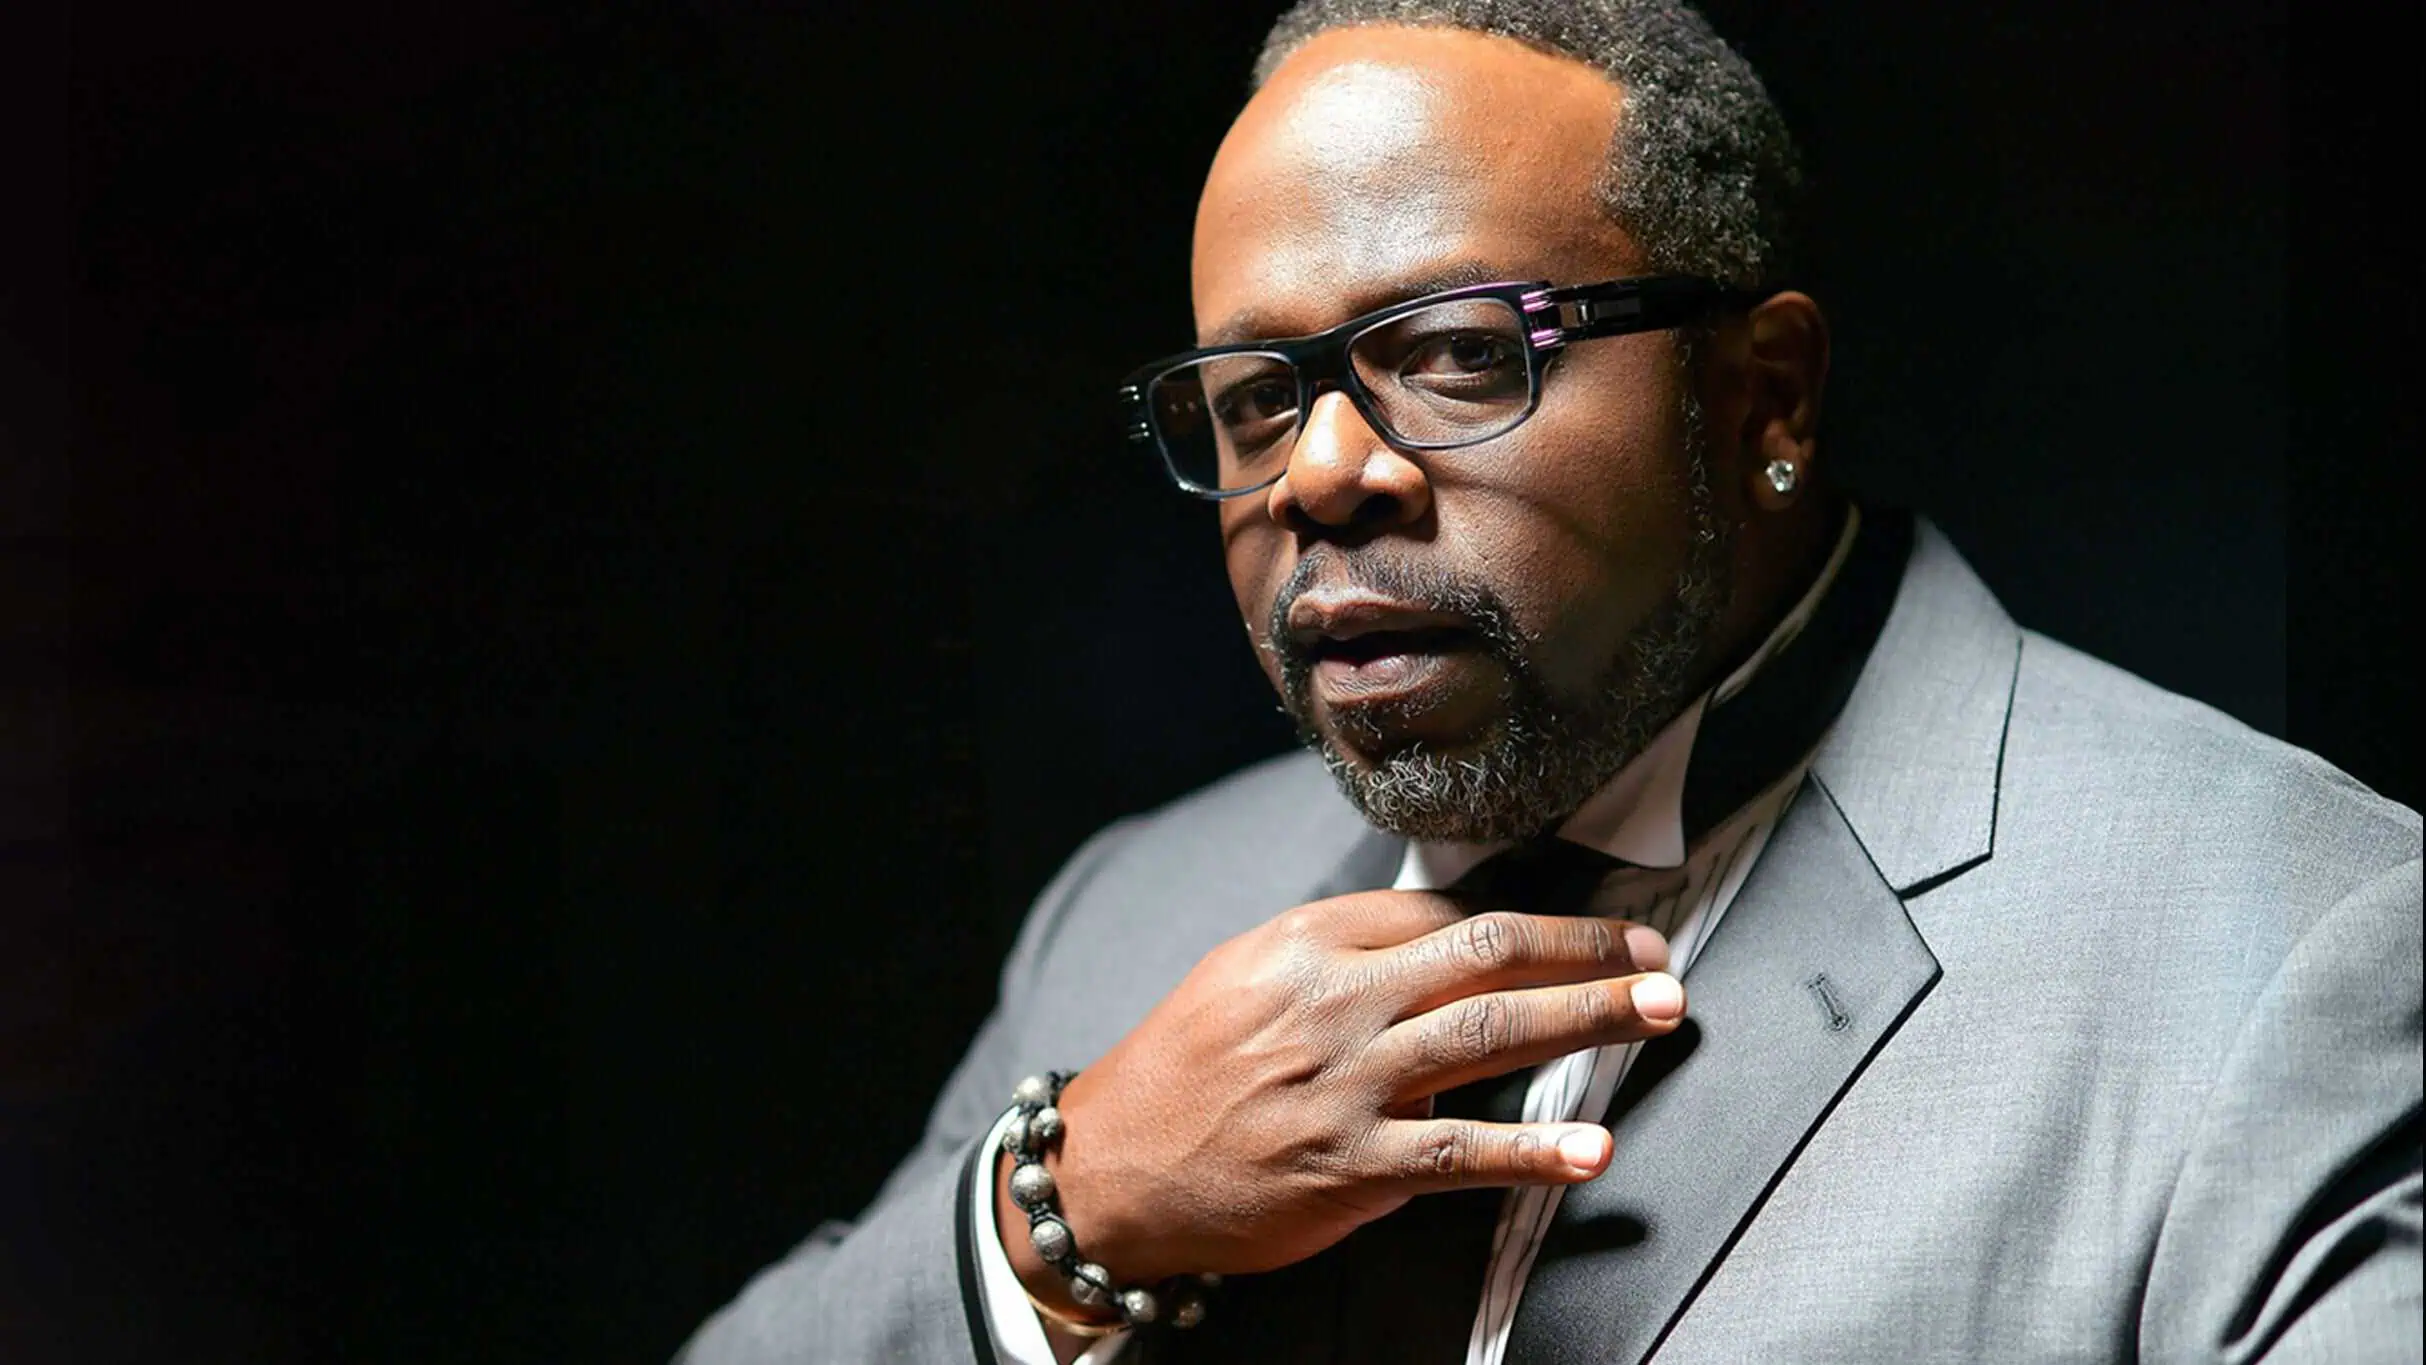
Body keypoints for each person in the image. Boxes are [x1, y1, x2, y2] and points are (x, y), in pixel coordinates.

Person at [677, 3, 2423, 1361]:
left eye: (1454, 354)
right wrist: (1066, 1215)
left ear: (1764, 398)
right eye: (1255, 399)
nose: (1317, 474)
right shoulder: (1132, 915)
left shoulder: (2294, 947)